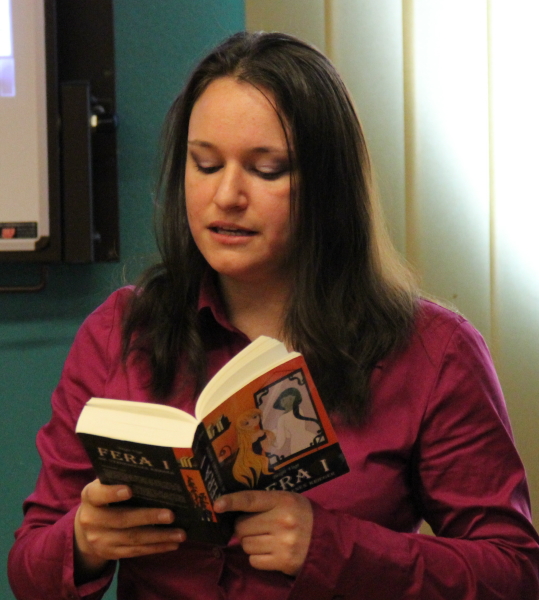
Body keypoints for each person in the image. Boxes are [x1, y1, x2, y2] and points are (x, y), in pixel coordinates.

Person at [8, 31, 539, 600]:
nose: (226, 196)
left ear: (329, 188)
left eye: (267, 170)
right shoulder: (121, 329)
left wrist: (332, 548)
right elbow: (28, 566)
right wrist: (83, 541)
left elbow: (514, 574)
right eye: (204, 164)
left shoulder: (431, 350)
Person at [232, 408, 275, 487]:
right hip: (258, 456)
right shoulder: (257, 434)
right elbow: (266, 447)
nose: (253, 421)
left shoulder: (248, 437)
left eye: (254, 417)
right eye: (246, 423)